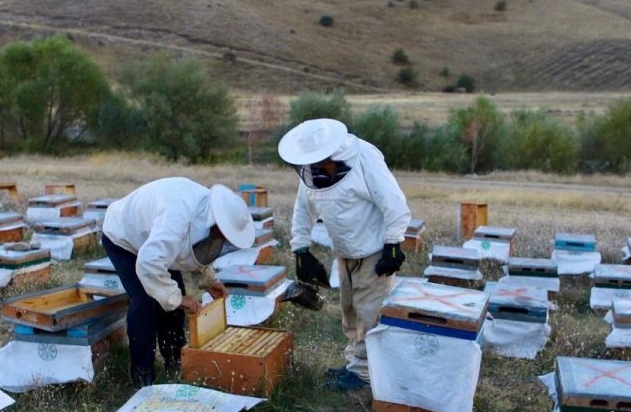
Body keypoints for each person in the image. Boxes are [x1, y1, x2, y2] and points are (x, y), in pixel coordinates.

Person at [278, 118, 412, 390]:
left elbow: (393, 200)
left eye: (318, 163)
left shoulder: (364, 157)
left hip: (374, 251)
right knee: (350, 311)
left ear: (332, 154)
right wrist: (300, 248)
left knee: (369, 313)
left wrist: (394, 243)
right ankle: (355, 363)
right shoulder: (311, 172)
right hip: (345, 252)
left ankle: (365, 374)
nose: (314, 169)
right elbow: (303, 208)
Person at [101, 177, 256, 387]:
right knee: (145, 303)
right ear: (216, 220)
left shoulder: (204, 213)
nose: (224, 239)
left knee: (173, 307)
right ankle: (142, 374)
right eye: (224, 233)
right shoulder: (176, 220)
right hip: (124, 239)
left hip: (156, 243)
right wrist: (177, 298)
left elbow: (197, 247)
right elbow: (148, 264)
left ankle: (175, 363)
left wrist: (210, 282)